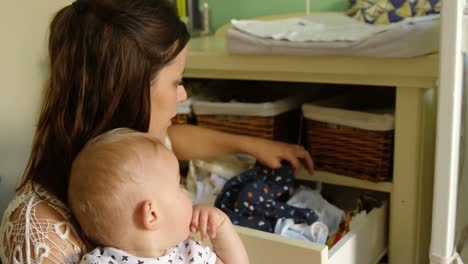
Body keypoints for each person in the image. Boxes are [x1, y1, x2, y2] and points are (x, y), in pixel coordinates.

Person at [0, 0, 314, 263]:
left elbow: (173, 141)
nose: (184, 96)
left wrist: (250, 144)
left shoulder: (129, 157)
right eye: (177, 82)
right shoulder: (40, 231)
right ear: (129, 93)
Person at [69, 128, 248, 264]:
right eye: (178, 186)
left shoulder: (189, 252)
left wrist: (221, 227)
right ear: (152, 214)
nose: (186, 192)